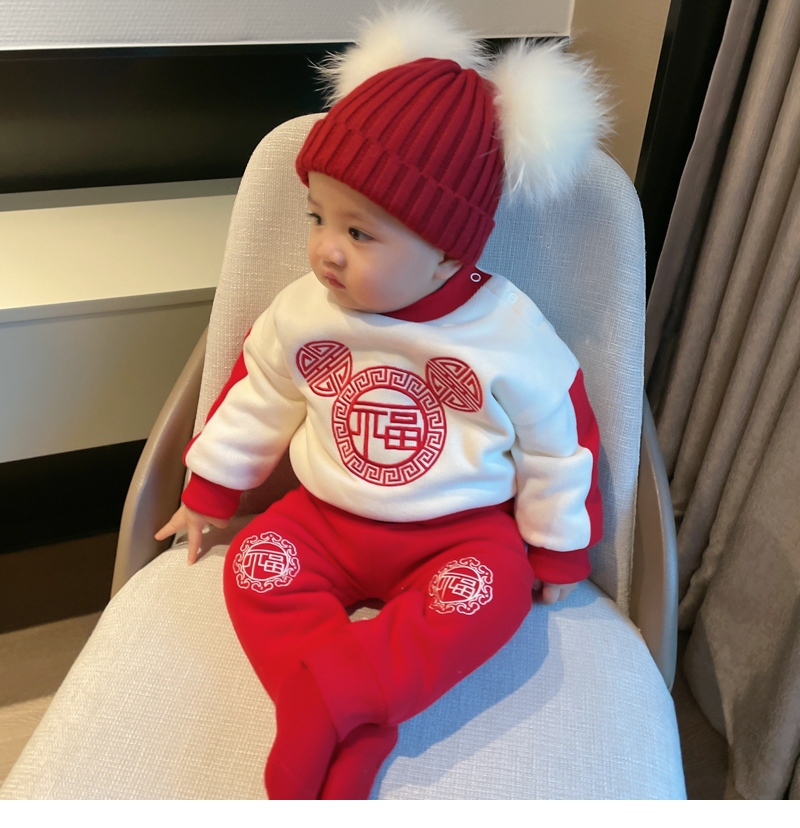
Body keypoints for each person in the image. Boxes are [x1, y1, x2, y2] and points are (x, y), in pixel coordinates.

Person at [156, 5, 608, 800]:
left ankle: (326, 703)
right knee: (256, 568)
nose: (325, 249)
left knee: (494, 595)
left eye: (360, 234)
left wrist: (559, 547)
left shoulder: (508, 331)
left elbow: (557, 444)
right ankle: (357, 722)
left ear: (447, 254)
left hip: (458, 533)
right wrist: (211, 491)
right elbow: (259, 392)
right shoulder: (305, 310)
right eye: (318, 217)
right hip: (324, 518)